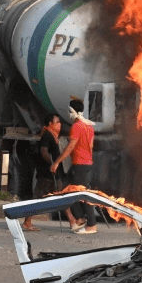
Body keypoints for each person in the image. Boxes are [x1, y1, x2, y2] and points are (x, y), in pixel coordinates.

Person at [21, 112, 78, 232]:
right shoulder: (47, 135)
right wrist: (52, 163)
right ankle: (27, 222)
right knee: (39, 198)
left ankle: (72, 221)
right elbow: (44, 151)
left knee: (61, 196)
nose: (60, 124)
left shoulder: (53, 135)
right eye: (57, 122)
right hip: (46, 174)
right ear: (50, 124)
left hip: (53, 174)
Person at [50, 98, 97, 234]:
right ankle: (80, 218)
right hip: (84, 164)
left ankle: (92, 225)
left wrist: (57, 161)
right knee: (65, 188)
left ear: (72, 112)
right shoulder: (89, 126)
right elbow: (91, 145)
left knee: (83, 194)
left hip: (80, 165)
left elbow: (71, 146)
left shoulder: (76, 127)